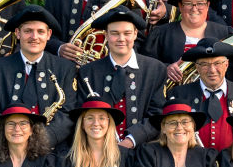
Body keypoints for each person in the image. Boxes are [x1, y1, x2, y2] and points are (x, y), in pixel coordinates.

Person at [71, 8, 166, 148]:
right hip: (98, 149)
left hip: (142, 150)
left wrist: (131, 141)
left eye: (127, 33)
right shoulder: (88, 72)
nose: (121, 39)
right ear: (106, 35)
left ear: (135, 34)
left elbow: (157, 114)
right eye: (115, 33)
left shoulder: (155, 69)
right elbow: (83, 115)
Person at [0, 6, 73, 146]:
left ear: (49, 35)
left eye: (40, 32)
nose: (34, 37)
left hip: (51, 151)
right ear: (18, 33)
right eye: (28, 31)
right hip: (7, 149)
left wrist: (43, 141)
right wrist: (12, 141)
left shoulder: (65, 68)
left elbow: (67, 113)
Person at [165, 40, 233, 151]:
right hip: (192, 163)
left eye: (217, 63)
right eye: (205, 64)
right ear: (197, 67)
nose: (212, 70)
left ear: (226, 64)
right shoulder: (179, 95)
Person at [143, 0, 232, 66]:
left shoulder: (225, 33)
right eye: (188, 4)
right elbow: (147, 66)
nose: (194, 9)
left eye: (200, 3)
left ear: (207, 6)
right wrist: (166, 69)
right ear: (180, 6)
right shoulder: (161, 34)